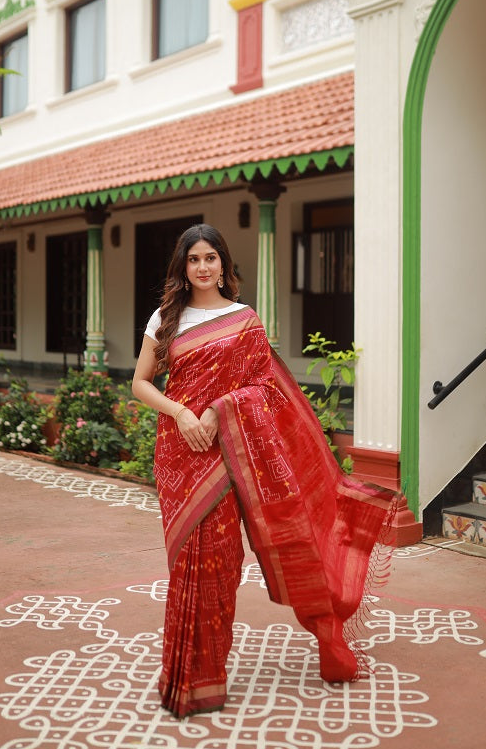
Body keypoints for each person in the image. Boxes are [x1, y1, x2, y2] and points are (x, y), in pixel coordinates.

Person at [132, 223, 396, 719]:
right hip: (180, 450)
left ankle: (223, 669)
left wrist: (221, 408)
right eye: (194, 260)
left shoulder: (244, 320)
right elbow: (140, 384)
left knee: (225, 557)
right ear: (182, 268)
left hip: (230, 448)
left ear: (225, 266)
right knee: (189, 559)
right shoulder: (166, 318)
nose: (203, 267)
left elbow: (266, 388)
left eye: (211, 258)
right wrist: (182, 412)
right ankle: (184, 676)